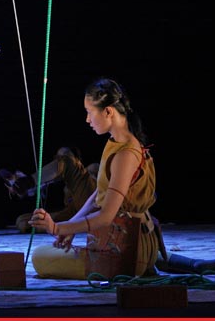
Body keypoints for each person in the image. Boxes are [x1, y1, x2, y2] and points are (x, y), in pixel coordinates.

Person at [29, 78, 159, 280]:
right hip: (117, 240)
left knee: (40, 257)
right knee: (46, 251)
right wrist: (71, 226)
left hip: (126, 251)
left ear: (108, 112)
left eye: (90, 112)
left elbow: (106, 216)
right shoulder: (116, 143)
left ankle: (141, 264)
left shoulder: (126, 154)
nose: (87, 120)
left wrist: (57, 227)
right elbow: (100, 193)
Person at [0, 146, 99, 232]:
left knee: (66, 156)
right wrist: (19, 187)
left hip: (94, 205)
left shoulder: (87, 174)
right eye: (58, 157)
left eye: (61, 157)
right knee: (22, 221)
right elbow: (50, 177)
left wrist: (26, 182)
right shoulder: (68, 181)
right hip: (76, 213)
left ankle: (27, 182)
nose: (59, 159)